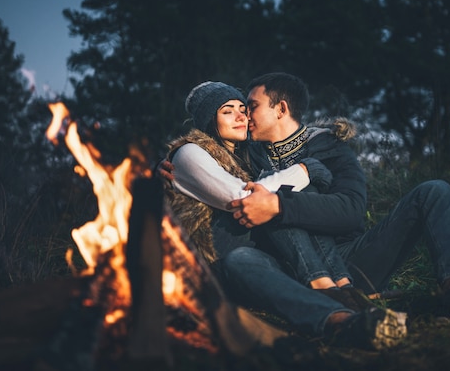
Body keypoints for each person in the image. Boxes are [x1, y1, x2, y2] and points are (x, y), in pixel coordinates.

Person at [223, 72, 450, 320]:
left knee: (434, 190)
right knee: (241, 259)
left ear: (281, 109)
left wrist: (279, 206)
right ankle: (325, 306)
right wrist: (177, 171)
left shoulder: (329, 148)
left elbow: (351, 211)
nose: (243, 114)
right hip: (285, 265)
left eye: (251, 106)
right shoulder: (243, 155)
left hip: (351, 259)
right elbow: (207, 167)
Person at [163, 81, 407, 349]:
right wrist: (305, 169)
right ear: (209, 119)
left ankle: (334, 288)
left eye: (244, 108)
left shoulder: (244, 156)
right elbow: (243, 199)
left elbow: (345, 208)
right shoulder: (189, 152)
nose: (242, 116)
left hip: (254, 255)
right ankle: (337, 318)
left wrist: (294, 184)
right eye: (228, 111)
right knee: (271, 207)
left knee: (282, 201)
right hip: (214, 264)